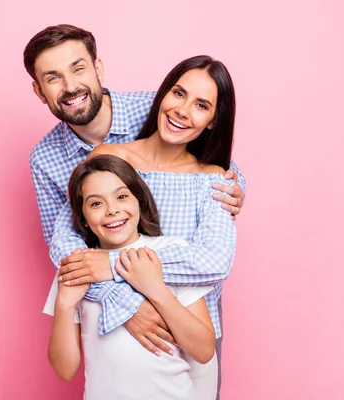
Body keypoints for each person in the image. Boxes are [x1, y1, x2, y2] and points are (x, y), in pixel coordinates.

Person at [24, 24, 246, 398]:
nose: (181, 109)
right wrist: (128, 303)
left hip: (193, 318)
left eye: (78, 68)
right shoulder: (100, 159)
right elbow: (64, 245)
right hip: (113, 325)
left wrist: (114, 266)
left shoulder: (204, 173)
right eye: (177, 94)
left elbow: (216, 253)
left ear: (98, 67)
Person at [43, 154, 224, 399]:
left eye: (121, 196)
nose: (112, 210)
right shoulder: (78, 266)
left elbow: (203, 351)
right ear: (83, 218)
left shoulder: (171, 251)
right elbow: (64, 370)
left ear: (138, 200)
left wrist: (155, 289)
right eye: (96, 203)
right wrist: (64, 305)